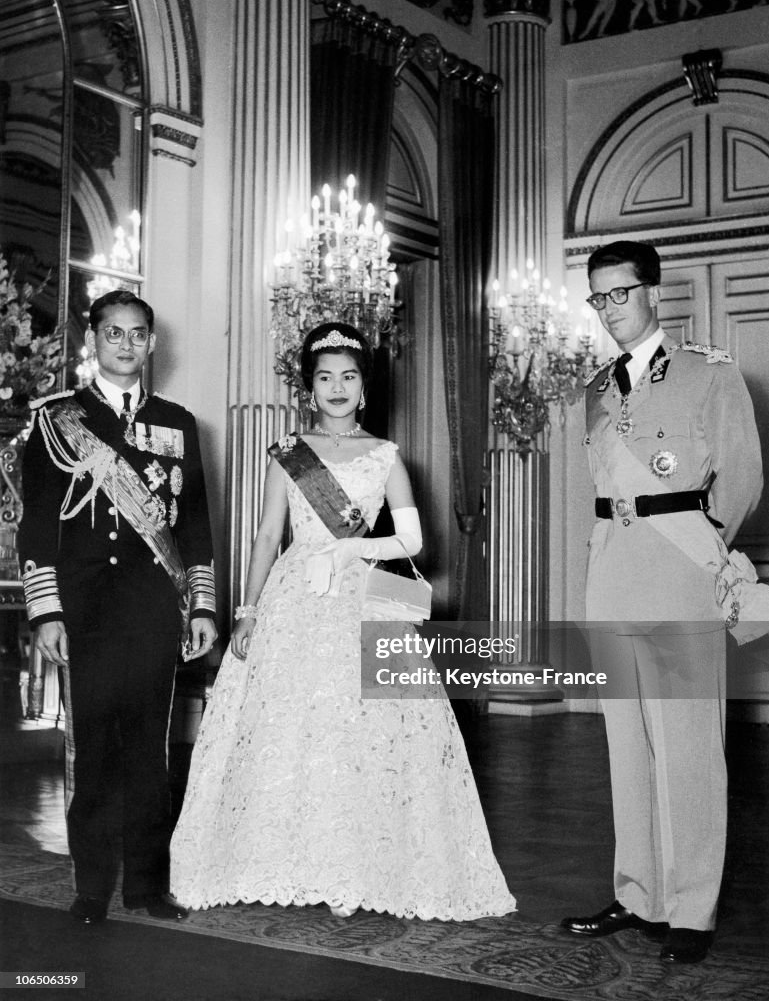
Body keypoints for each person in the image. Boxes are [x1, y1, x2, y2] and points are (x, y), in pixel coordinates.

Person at [170, 321, 515, 921]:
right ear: (309, 390)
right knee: (289, 724)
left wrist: (357, 549)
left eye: (348, 377)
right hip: (293, 595)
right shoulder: (288, 454)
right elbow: (268, 536)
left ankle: (359, 863)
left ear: (363, 390)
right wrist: (247, 611)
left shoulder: (384, 456)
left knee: (372, 729)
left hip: (369, 597)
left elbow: (411, 539)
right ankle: (283, 857)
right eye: (324, 377)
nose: (336, 387)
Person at [561, 241, 762, 963]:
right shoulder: (592, 390)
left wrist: (701, 552)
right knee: (628, 749)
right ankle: (639, 892)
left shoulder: (709, 373)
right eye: (598, 297)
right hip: (612, 578)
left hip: (680, 576)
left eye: (621, 293)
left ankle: (690, 910)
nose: (610, 309)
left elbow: (739, 481)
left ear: (652, 293)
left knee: (688, 750)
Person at [18, 289, 218, 925]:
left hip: (153, 606)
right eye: (114, 334)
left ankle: (147, 888)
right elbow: (37, 525)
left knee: (149, 754)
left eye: (138, 335)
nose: (126, 345)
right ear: (92, 341)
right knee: (92, 752)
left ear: (152, 343)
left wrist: (203, 606)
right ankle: (92, 888)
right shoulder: (56, 420)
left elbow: (195, 527)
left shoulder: (178, 422)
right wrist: (46, 611)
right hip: (85, 610)